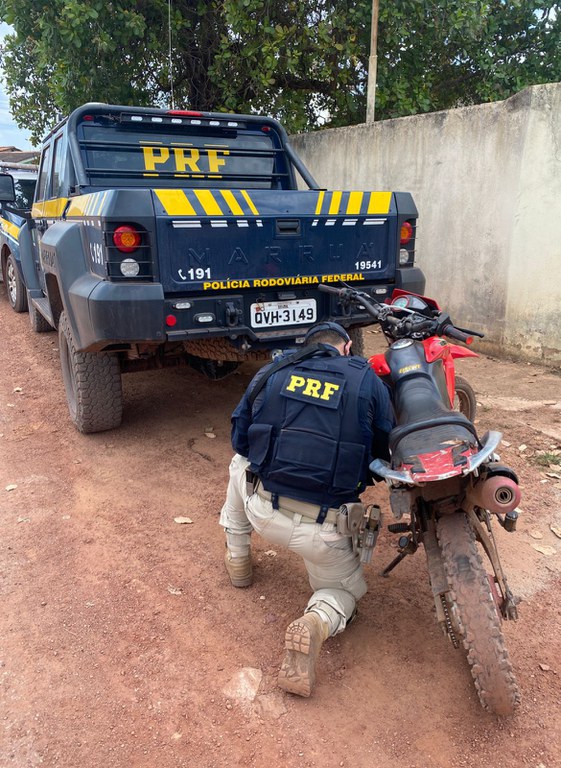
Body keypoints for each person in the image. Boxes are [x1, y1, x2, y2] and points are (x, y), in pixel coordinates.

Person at [219, 322, 394, 697]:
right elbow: (384, 453)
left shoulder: (273, 371)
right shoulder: (366, 380)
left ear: (307, 346)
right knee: (342, 593)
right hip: (324, 530)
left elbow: (241, 439)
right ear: (346, 348)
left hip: (262, 510)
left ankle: (238, 558)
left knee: (239, 464)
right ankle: (317, 620)